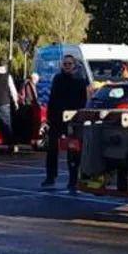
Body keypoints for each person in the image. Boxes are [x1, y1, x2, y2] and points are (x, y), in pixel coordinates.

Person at [43, 55, 87, 190]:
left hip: (73, 119)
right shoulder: (57, 78)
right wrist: (49, 117)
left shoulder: (80, 80)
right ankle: (50, 176)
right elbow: (52, 98)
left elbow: (83, 100)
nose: (67, 66)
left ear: (74, 65)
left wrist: (78, 116)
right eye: (65, 64)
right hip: (56, 118)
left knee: (73, 149)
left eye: (69, 64)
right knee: (52, 148)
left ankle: (73, 179)